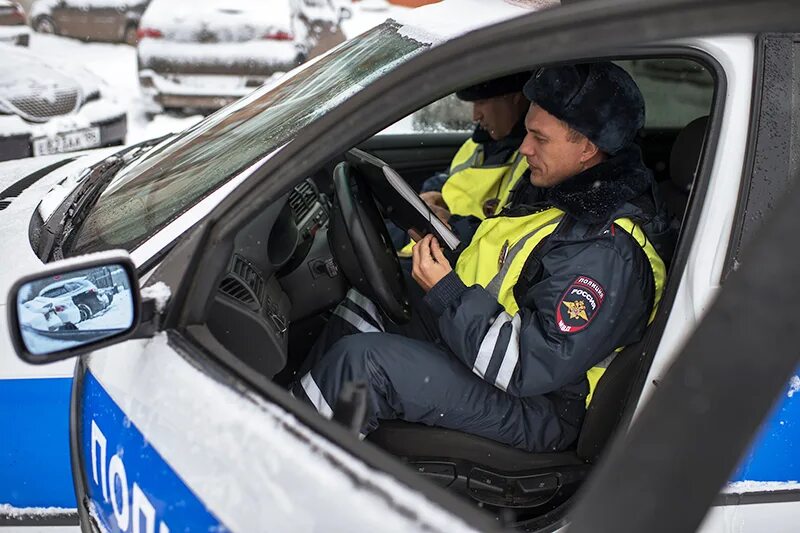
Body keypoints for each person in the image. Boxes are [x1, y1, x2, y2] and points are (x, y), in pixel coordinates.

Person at [292, 63, 670, 453]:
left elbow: (530, 365)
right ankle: (291, 416)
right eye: (527, 131)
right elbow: (507, 264)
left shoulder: (606, 252)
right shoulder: (561, 199)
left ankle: (284, 467)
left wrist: (447, 293)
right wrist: (443, 243)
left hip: (544, 405)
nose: (524, 149)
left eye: (539, 138)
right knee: (368, 302)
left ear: (588, 147)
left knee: (362, 364)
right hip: (489, 349)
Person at [394, 72, 533, 252]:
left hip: (458, 251)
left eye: (482, 102)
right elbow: (450, 175)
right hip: (432, 237)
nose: (476, 116)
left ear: (516, 97)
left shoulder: (532, 160)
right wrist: (434, 193)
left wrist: (452, 223)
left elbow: (506, 235)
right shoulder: (477, 144)